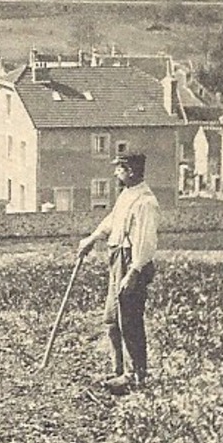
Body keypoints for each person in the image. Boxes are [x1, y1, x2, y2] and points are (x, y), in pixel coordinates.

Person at [77, 151, 160, 394]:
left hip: (132, 262)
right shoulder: (127, 195)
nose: (115, 173)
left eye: (119, 169)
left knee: (130, 321)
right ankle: (119, 371)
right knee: (112, 320)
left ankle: (135, 377)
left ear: (131, 171)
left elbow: (146, 242)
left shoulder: (146, 202)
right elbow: (113, 220)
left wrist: (133, 272)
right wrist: (92, 238)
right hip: (117, 259)